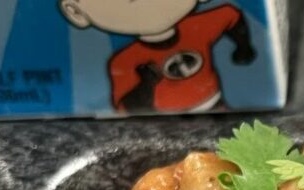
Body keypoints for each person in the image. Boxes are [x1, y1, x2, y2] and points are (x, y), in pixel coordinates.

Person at [59, 0, 256, 113]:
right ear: (76, 11)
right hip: (158, 124)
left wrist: (243, 48)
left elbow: (230, 16)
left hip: (215, 107)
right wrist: (146, 86)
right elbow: (126, 108)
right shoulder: (125, 60)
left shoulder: (199, 26)